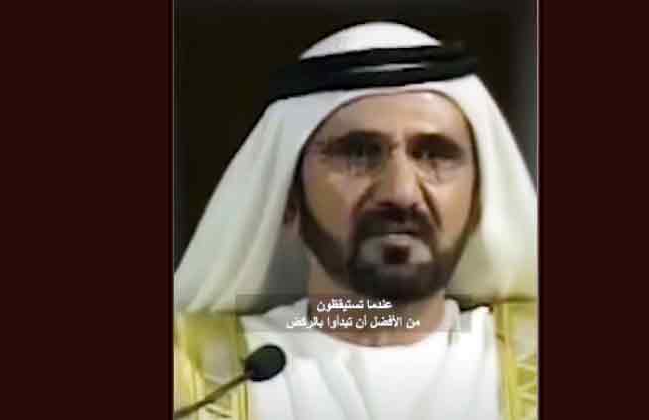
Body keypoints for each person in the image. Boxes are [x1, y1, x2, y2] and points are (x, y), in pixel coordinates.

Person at [174, 22, 537, 420]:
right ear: (289, 196)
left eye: (434, 155)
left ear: (480, 198)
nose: (401, 192)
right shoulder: (190, 379)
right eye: (358, 154)